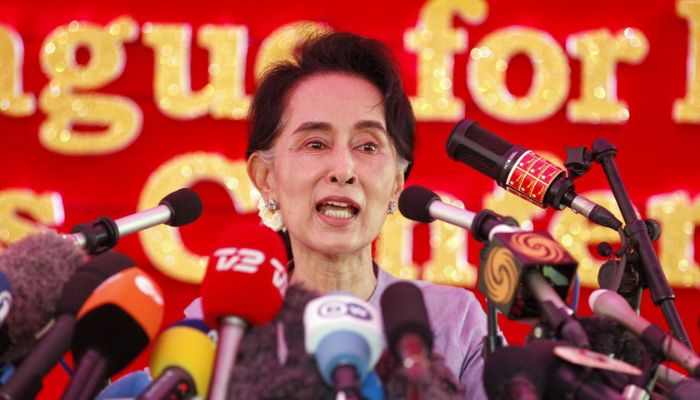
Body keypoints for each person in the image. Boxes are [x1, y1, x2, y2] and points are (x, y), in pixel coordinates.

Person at [241, 31, 490, 399]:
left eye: (367, 146)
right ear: (266, 178)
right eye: (315, 144)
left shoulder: (452, 320)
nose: (343, 169)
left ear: (396, 183)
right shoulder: (227, 328)